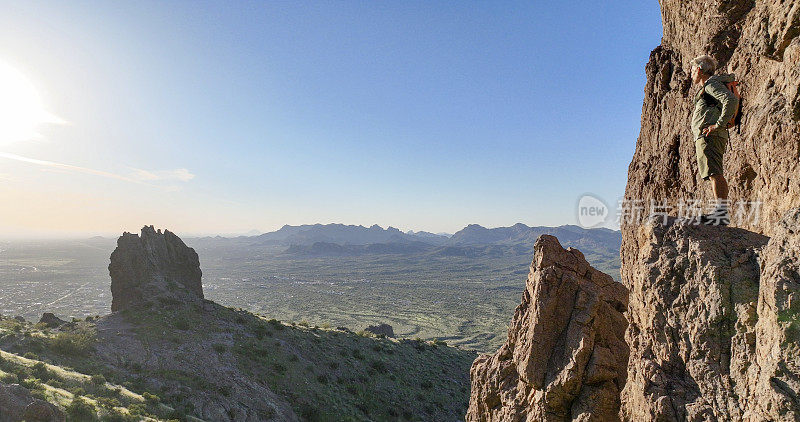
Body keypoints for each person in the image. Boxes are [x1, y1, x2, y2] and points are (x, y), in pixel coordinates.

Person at [689, 54, 738, 226]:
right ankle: (720, 212)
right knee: (713, 173)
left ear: (700, 70)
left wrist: (717, 125)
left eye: (693, 70)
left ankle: (720, 214)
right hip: (708, 136)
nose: (691, 74)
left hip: (710, 135)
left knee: (714, 172)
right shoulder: (708, 86)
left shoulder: (710, 84)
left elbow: (730, 100)